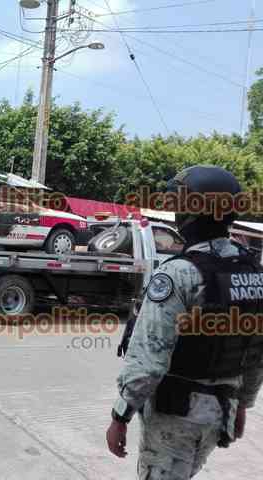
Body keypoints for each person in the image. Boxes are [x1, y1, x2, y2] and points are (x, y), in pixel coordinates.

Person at [106, 165, 263, 479]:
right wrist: (242, 403)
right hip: (220, 412)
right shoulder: (252, 271)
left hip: (174, 414)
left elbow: (150, 358)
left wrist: (120, 415)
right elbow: (256, 351)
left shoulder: (179, 273)